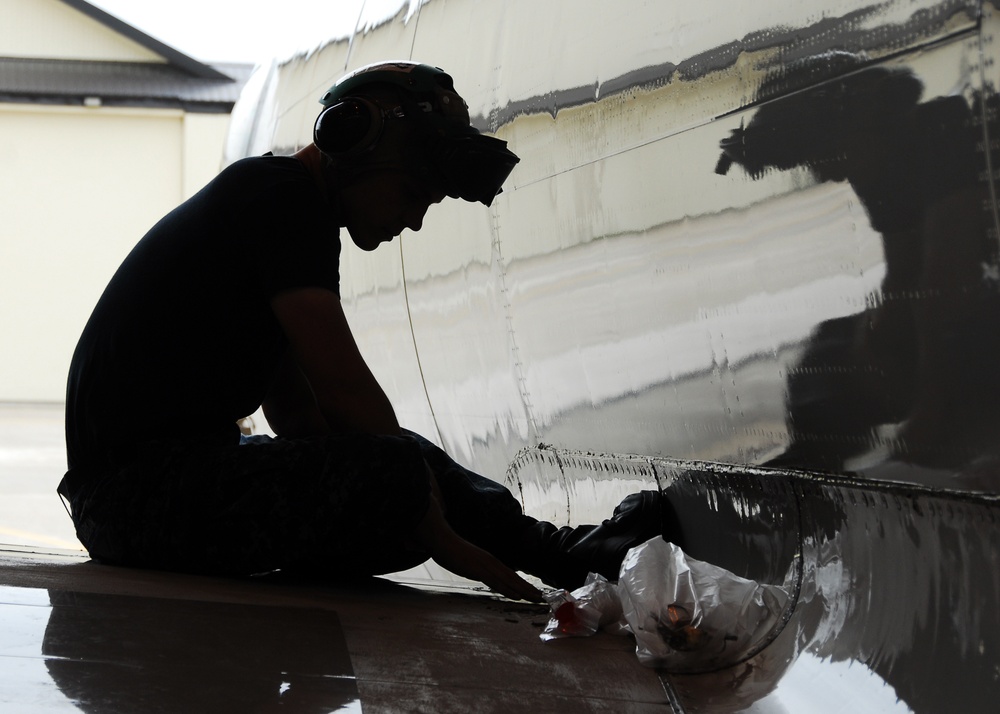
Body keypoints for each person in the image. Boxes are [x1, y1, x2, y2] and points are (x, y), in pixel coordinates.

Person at [60, 61, 665, 602]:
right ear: (352, 143)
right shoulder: (285, 203)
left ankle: (564, 552)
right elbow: (346, 393)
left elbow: (299, 415)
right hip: (136, 499)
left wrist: (414, 501)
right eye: (410, 194)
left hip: (135, 498)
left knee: (398, 472)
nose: (414, 220)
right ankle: (559, 553)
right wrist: (444, 537)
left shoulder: (271, 200)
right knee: (395, 473)